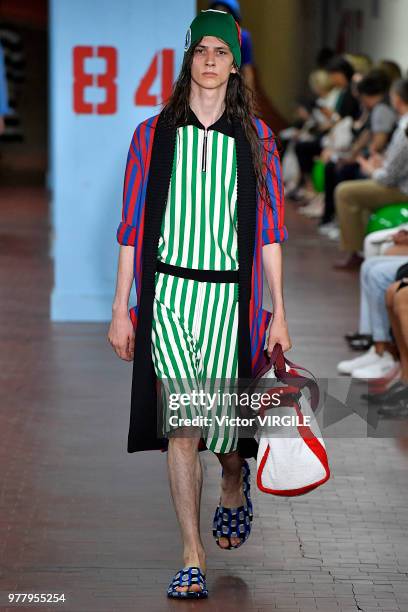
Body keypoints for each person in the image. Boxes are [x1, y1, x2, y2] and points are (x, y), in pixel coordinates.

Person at [108, 9, 290, 599]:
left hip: (232, 300)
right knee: (183, 426)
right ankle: (192, 555)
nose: (210, 61)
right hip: (170, 298)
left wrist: (279, 311)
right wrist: (120, 307)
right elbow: (132, 227)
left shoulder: (257, 139)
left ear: (235, 66)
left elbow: (269, 230)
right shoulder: (152, 134)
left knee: (226, 433)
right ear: (187, 59)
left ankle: (235, 481)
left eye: (221, 52)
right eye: (200, 50)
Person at [334, 78, 408, 270]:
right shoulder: (402, 125)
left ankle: (354, 250)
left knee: (345, 192)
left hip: (400, 189)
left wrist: (372, 169)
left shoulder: (405, 129)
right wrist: (380, 164)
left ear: (398, 99)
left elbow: (389, 177)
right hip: (397, 183)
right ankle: (358, 246)